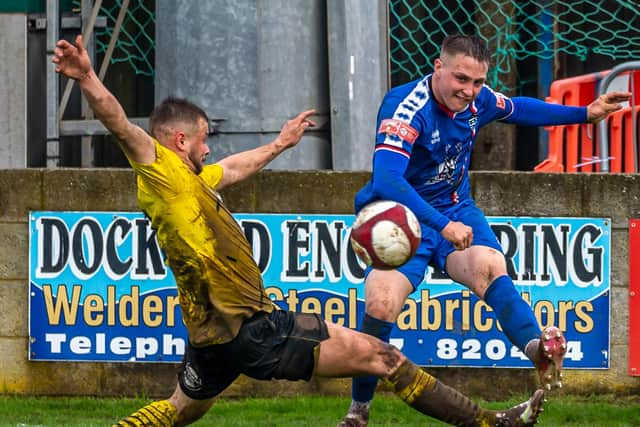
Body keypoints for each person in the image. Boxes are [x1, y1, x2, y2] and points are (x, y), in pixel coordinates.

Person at [51, 34, 548, 427]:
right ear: (181, 140)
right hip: (254, 329)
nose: (210, 149)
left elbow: (236, 168)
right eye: (205, 140)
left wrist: (282, 144)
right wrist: (90, 79)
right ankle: (485, 422)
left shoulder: (192, 180)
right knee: (384, 358)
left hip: (210, 337)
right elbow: (120, 124)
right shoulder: (159, 170)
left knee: (181, 408)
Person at [337, 33, 633, 427]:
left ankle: (537, 351)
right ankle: (358, 412)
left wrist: (585, 113)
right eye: (461, 79)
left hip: (455, 208)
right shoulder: (406, 108)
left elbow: (520, 109)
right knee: (380, 306)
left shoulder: (478, 100)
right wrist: (442, 227)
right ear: (438, 67)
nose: (470, 91)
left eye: (477, 82)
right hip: (401, 218)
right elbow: (388, 179)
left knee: (490, 266)